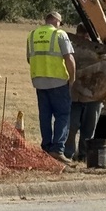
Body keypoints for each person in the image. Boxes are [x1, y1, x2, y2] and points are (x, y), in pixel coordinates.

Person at [27, 11, 75, 164]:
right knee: (62, 115)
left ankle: (46, 148)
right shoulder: (60, 35)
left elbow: (29, 58)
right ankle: (57, 150)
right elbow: (69, 59)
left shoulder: (32, 35)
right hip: (58, 82)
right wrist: (72, 78)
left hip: (39, 81)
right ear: (56, 21)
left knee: (45, 116)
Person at [66, 22, 103, 162]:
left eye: (87, 37)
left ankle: (84, 155)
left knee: (89, 128)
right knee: (72, 126)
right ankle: (68, 153)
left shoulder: (99, 48)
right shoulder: (71, 46)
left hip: (93, 94)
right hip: (75, 93)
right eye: (82, 36)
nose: (85, 40)